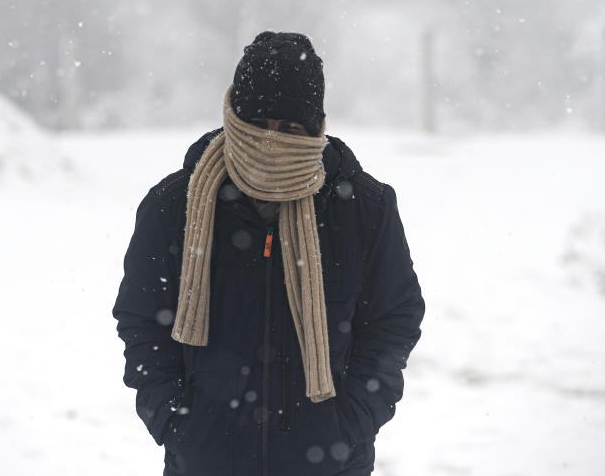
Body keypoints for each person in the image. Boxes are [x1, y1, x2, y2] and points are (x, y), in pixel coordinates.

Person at [112, 31, 425, 476]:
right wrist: (177, 421)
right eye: (257, 125)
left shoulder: (363, 209)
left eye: (290, 129)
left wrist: (350, 422)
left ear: (316, 128)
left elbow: (394, 318)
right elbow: (142, 319)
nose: (271, 142)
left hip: (328, 464)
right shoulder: (174, 207)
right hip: (206, 461)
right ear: (234, 119)